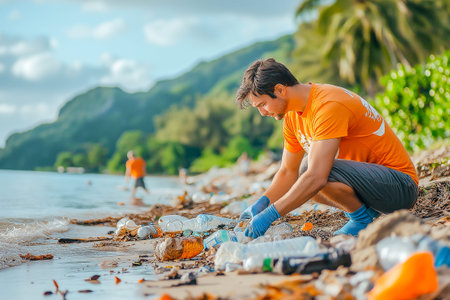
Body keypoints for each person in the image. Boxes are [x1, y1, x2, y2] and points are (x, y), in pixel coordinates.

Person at [235, 58, 418, 238]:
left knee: (310, 171)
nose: (263, 113)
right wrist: (262, 203)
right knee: (304, 179)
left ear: (280, 90)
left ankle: (361, 219)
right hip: (375, 187)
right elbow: (287, 171)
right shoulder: (292, 117)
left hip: (401, 187)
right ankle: (366, 214)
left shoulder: (327, 105)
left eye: (263, 104)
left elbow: (316, 176)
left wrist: (270, 215)